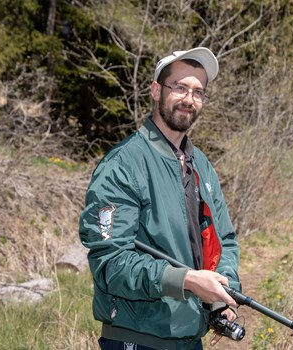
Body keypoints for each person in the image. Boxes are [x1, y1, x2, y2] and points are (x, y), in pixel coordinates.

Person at [79, 47, 241, 350]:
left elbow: (224, 241)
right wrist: (186, 281)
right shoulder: (123, 164)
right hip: (137, 339)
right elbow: (110, 263)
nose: (188, 99)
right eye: (179, 87)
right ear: (156, 90)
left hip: (190, 338)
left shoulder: (202, 166)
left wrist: (221, 298)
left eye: (198, 92)